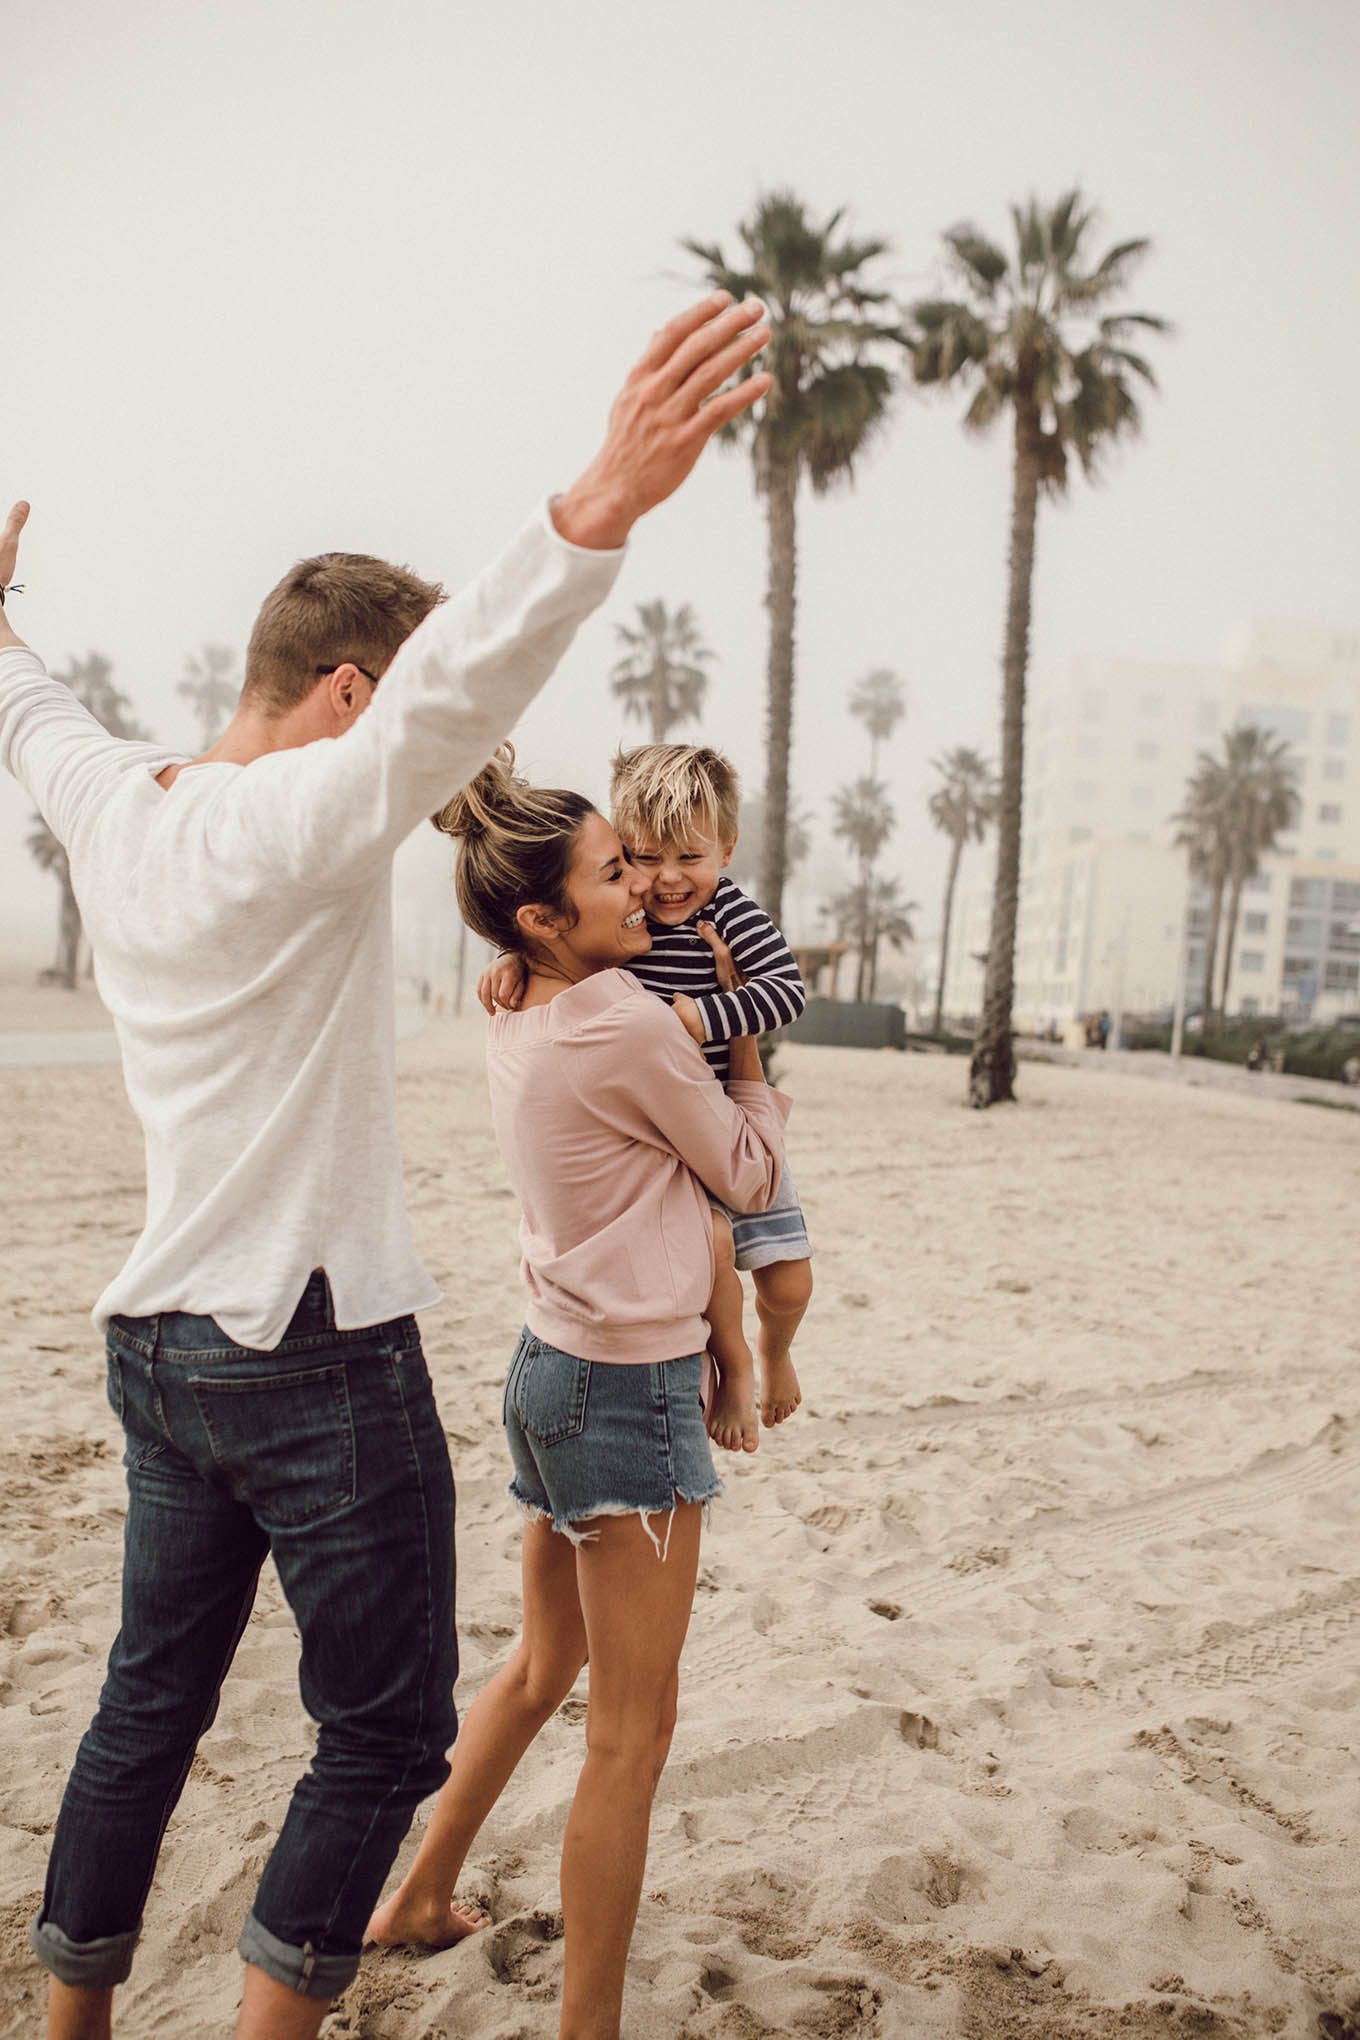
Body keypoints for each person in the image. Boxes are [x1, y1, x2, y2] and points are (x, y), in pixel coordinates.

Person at [0, 290, 772, 2040]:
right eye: (388, 711)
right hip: (307, 1348)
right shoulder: (299, 818)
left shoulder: (122, 803)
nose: (414, 769)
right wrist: (600, 504)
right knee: (380, 1735)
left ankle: (72, 2029)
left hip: (160, 1347)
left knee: (143, 1707)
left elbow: (30, 713)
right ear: (348, 690)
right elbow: (468, 679)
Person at [367, 748, 789, 2040]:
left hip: (548, 1371)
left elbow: (573, 975)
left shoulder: (519, 1001)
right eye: (613, 875)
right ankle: (588, 2025)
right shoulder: (619, 1020)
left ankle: (419, 1894)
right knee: (631, 1732)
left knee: (544, 1663)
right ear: (539, 917)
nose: (643, 895)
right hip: (625, 1391)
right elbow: (747, 1173)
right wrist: (754, 1048)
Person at [480, 742, 812, 1453]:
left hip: (724, 1106)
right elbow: (562, 946)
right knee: (714, 1250)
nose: (661, 882)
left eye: (688, 859)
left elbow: (787, 992)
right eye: (638, 858)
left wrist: (706, 1017)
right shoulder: (621, 933)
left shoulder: (733, 917)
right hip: (668, 1128)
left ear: (726, 848)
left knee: (786, 1282)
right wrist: (511, 959)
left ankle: (775, 1346)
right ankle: (736, 1361)